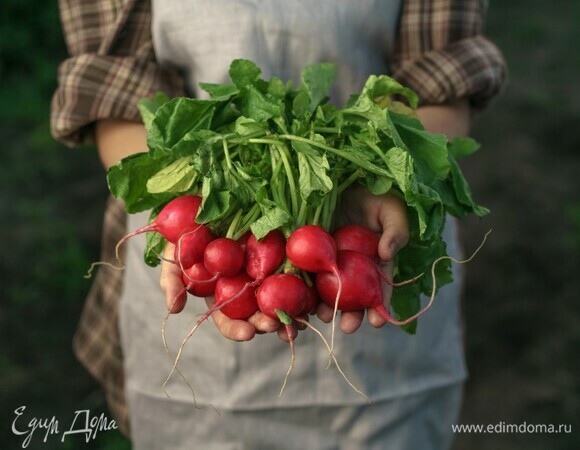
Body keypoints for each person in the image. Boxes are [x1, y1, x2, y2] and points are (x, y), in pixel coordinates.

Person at [51, 0, 506, 448]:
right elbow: (112, 92)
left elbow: (438, 86)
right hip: (205, 341)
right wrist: (184, 200)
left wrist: (381, 180)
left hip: (376, 296)